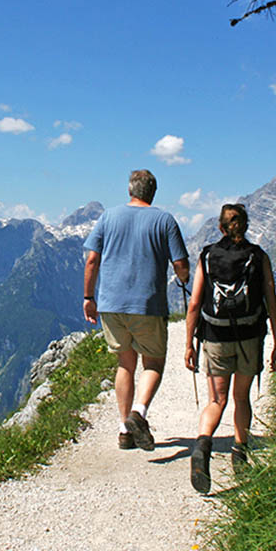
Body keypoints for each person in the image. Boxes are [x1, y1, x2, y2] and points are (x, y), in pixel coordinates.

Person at [84, 169, 190, 451]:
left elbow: (92, 260)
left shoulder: (108, 217)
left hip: (110, 304)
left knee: (125, 364)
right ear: (153, 192)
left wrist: (88, 297)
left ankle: (124, 430)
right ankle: (138, 413)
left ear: (129, 190)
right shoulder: (164, 220)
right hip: (148, 304)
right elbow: (180, 266)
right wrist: (184, 278)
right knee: (153, 363)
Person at [184, 203, 276, 493]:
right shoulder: (258, 256)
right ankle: (240, 455)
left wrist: (189, 343)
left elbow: (193, 304)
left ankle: (202, 447)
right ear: (246, 226)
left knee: (217, 400)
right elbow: (271, 302)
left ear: (220, 228)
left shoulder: (207, 256)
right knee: (241, 398)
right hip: (250, 337)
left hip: (215, 337)